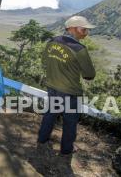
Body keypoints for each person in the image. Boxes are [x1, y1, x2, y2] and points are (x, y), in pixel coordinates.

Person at [37, 15, 96, 155]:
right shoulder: (79, 49)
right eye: (84, 29)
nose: (86, 32)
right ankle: (66, 149)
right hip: (70, 92)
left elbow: (45, 60)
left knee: (50, 114)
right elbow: (89, 75)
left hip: (52, 86)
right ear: (73, 29)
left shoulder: (52, 41)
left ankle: (42, 139)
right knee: (70, 121)